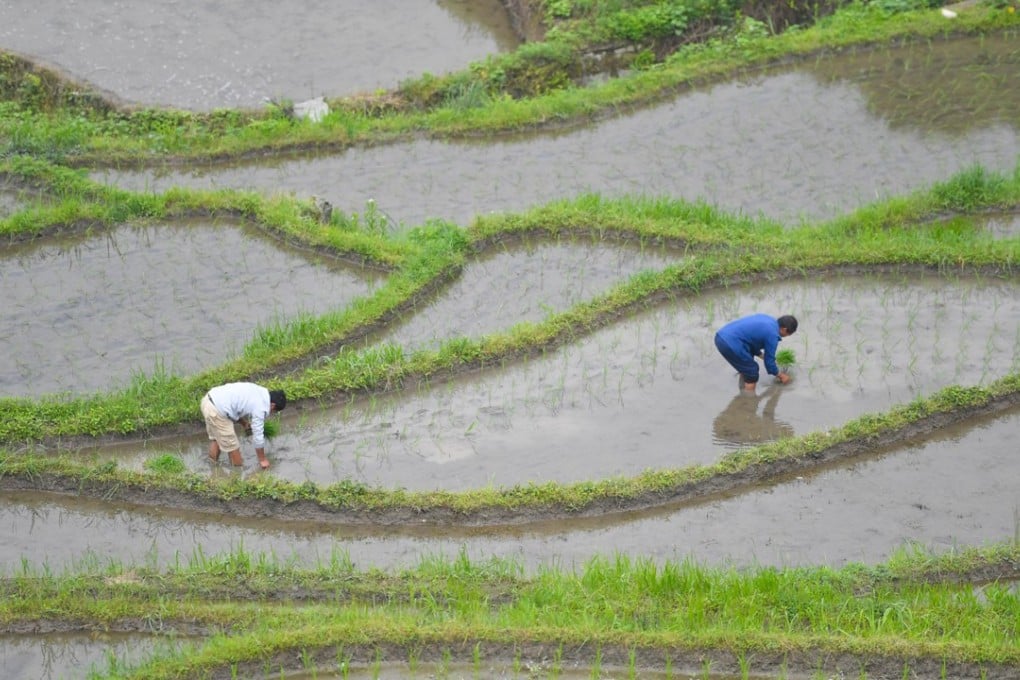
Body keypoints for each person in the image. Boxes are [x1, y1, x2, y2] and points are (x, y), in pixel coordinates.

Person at [200, 382, 286, 470]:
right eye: (273, 411)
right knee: (233, 447)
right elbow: (258, 436)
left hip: (208, 400)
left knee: (217, 439)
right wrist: (262, 459)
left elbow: (234, 406)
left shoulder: (260, 391)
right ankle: (237, 473)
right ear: (272, 405)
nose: (271, 413)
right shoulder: (262, 407)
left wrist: (244, 423)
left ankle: (212, 467)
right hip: (217, 411)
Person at [714, 313, 797, 392]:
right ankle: (748, 401)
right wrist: (781, 375)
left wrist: (761, 355)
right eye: (788, 334)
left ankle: (743, 389)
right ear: (784, 329)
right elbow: (769, 364)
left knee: (747, 364)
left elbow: (751, 340)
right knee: (752, 371)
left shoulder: (768, 320)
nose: (786, 336)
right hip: (730, 343)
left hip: (721, 336)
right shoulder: (773, 335)